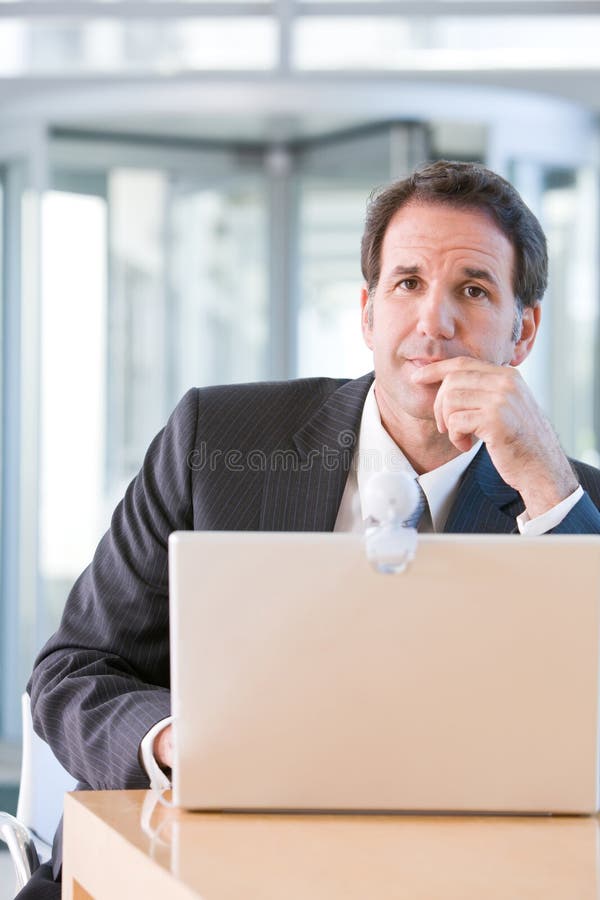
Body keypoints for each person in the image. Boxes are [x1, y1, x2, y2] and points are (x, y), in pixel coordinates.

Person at [18, 160, 600, 898]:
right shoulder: (216, 441)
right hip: (171, 870)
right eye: (408, 283)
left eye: (474, 291)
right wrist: (179, 743)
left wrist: (548, 488)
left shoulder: (572, 506)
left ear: (524, 333)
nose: (434, 323)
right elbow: (72, 671)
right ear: (367, 312)